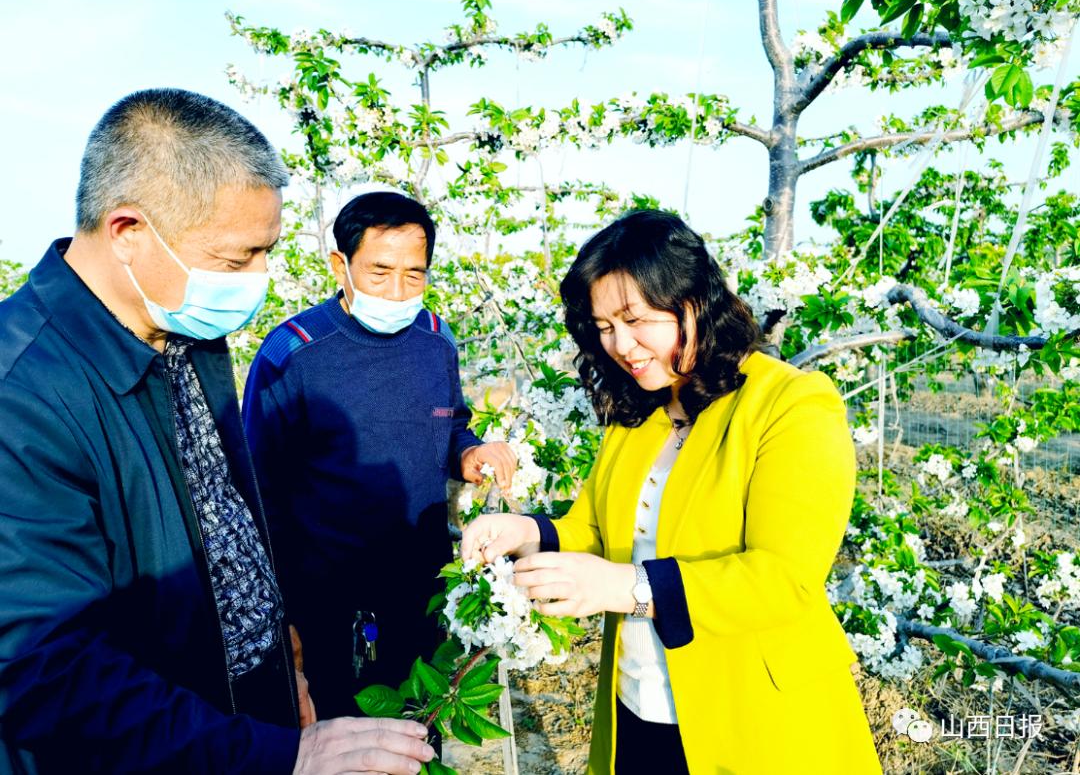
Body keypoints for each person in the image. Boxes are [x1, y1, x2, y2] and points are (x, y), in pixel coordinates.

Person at [0, 89, 434, 775]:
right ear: (128, 232)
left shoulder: (186, 333)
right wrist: (272, 756)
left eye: (267, 251)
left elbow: (225, 509)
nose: (258, 279)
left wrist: (277, 644)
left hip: (241, 720)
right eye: (237, 260)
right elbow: (45, 671)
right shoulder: (21, 395)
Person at [462, 210, 882, 774]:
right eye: (605, 327)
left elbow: (783, 577)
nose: (622, 346)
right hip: (639, 703)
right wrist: (528, 531)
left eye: (636, 320)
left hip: (753, 714)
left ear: (693, 301)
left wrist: (625, 587)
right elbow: (594, 528)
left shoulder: (791, 404)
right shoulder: (641, 411)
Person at [242, 190, 516, 720]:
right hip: (319, 592)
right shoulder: (293, 352)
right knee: (331, 726)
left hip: (417, 579)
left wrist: (469, 451)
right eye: (379, 272)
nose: (397, 292)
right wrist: (281, 613)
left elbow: (451, 422)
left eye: (414, 275)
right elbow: (257, 487)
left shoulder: (435, 340)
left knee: (416, 720)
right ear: (339, 265)